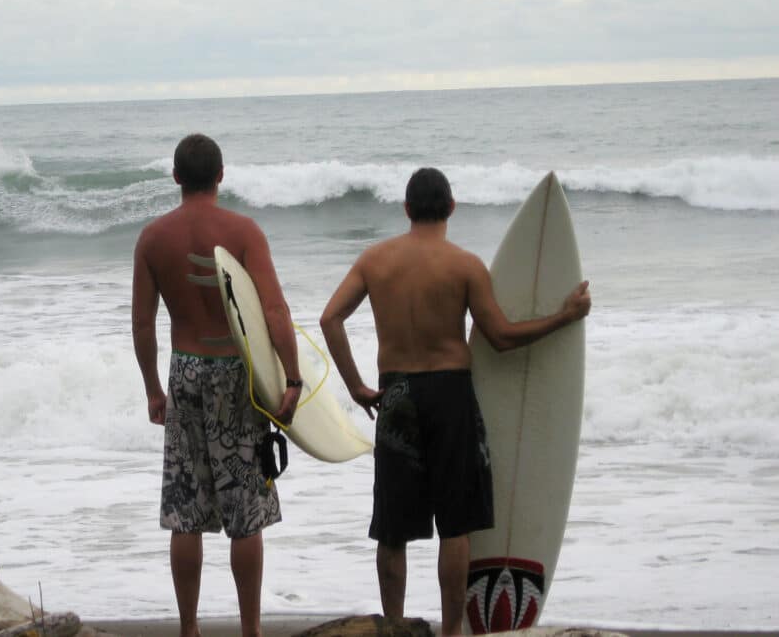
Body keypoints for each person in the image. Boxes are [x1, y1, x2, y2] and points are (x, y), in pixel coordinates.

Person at [319, 167, 591, 636]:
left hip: (397, 394)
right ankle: (450, 633)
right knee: (456, 524)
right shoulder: (464, 265)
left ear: (406, 209)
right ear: (451, 207)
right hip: (450, 394)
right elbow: (502, 338)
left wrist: (357, 386)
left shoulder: (374, 261)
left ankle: (395, 627)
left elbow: (330, 319)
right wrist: (563, 317)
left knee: (393, 528)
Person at [131, 133, 302, 637]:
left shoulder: (153, 238)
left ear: (177, 177)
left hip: (184, 368)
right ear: (222, 175)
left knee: (186, 510)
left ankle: (189, 629)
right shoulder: (243, 230)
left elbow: (143, 325)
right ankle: (250, 630)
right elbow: (274, 310)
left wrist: (152, 391)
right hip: (235, 375)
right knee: (244, 510)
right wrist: (292, 378)